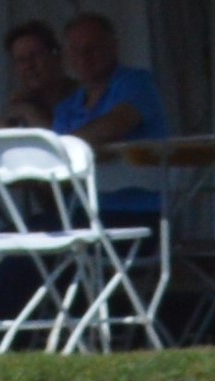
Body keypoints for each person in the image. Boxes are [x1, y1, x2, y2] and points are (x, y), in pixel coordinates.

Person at [51, 12, 169, 223]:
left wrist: (69, 146)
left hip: (137, 215)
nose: (84, 57)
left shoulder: (137, 83)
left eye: (92, 48)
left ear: (113, 48)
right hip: (81, 213)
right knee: (9, 242)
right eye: (75, 50)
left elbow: (115, 124)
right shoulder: (67, 106)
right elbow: (54, 161)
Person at [0, 17, 64, 126]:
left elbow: (59, 140)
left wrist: (27, 111)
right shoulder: (21, 99)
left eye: (35, 56)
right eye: (21, 60)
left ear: (55, 57)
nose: (29, 65)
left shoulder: (79, 98)